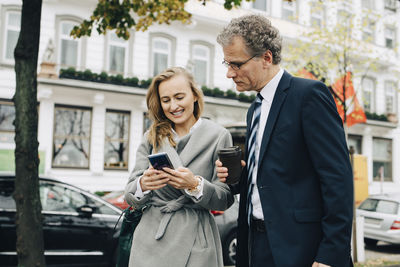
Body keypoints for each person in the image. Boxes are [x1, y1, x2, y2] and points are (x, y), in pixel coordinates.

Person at [215, 14, 354, 267]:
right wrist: (239, 177)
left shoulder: (309, 95)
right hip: (254, 246)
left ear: (266, 58)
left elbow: (338, 180)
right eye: (227, 63)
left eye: (236, 64)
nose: (229, 73)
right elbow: (273, 178)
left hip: (302, 249)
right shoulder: (253, 109)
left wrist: (330, 255)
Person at [124, 67, 234, 267]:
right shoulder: (152, 136)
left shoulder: (219, 136)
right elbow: (130, 195)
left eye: (179, 97)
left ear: (194, 95)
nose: (173, 106)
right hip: (151, 238)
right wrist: (143, 184)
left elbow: (225, 198)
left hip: (196, 237)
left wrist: (195, 185)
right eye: (166, 100)